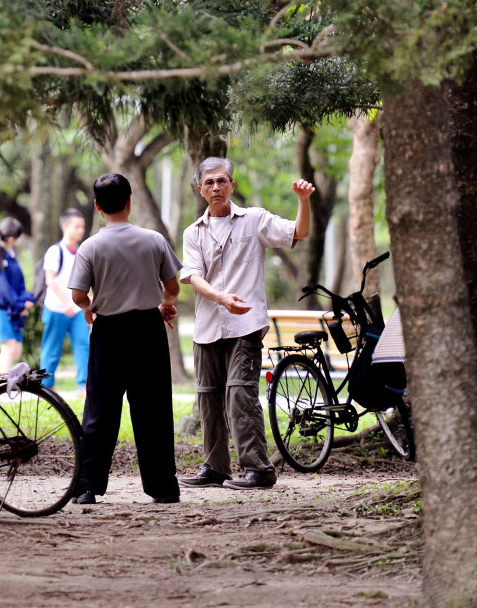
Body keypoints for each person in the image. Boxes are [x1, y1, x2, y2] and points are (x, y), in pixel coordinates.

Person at [179, 157, 313, 490]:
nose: (215, 188)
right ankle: (215, 466)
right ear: (200, 189)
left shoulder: (253, 220)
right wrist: (221, 298)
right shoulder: (193, 232)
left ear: (232, 185)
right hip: (208, 325)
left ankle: (259, 469)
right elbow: (193, 276)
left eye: (221, 181)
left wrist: (303, 200)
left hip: (246, 326)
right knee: (208, 396)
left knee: (240, 394)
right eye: (209, 183)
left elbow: (299, 231)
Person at [68, 173, 181, 505]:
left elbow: (77, 295)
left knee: (100, 410)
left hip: (109, 332)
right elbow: (173, 288)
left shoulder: (91, 246)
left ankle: (87, 486)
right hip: (148, 330)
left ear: (97, 206)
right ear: (130, 201)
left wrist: (91, 309)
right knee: (154, 410)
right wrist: (164, 305)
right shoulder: (154, 240)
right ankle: (163, 487)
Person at [39, 208, 89, 390]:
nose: (80, 231)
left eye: (82, 227)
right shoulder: (55, 251)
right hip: (56, 308)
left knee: (83, 346)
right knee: (51, 349)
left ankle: (83, 385)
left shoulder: (81, 253)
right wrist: (66, 303)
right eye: (77, 227)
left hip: (77, 311)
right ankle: (46, 386)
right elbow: (49, 279)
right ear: (65, 226)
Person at [0, 217, 35, 376]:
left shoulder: (10, 256)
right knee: (9, 347)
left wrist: (26, 300)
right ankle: (5, 386)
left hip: (12, 309)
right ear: (12, 237)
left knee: (15, 351)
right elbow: (4, 289)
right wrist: (20, 304)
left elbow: (19, 284)